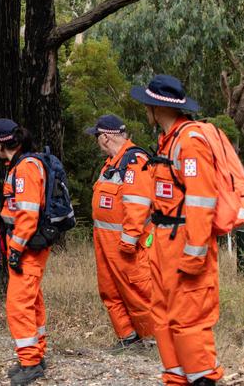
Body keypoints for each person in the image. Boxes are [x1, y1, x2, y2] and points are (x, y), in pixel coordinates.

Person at [131, 75, 222, 385]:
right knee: (162, 314)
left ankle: (202, 380)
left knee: (188, 320)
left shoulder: (191, 141)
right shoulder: (169, 140)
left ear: (156, 107)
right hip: (164, 243)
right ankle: (176, 378)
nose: (145, 108)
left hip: (185, 243)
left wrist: (194, 255)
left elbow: (201, 201)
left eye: (147, 103)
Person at [0, 119, 49, 386]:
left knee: (18, 304)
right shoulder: (19, 166)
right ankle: (37, 355)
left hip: (26, 247)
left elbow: (28, 215)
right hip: (23, 245)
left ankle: (30, 363)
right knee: (31, 300)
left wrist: (16, 250)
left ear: (0, 144)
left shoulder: (26, 168)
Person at [86, 115, 154, 348]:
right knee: (109, 290)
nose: (97, 142)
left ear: (105, 137)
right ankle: (128, 337)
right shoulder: (111, 163)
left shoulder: (135, 161)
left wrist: (128, 241)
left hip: (127, 246)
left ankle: (152, 339)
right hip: (105, 243)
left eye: (97, 137)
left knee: (138, 291)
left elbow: (138, 205)